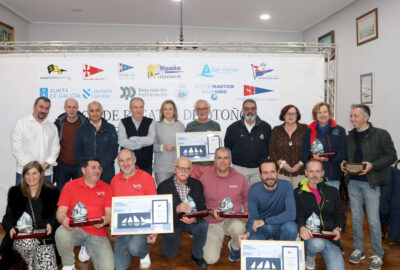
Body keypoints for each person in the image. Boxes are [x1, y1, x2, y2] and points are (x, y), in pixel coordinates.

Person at [341, 104, 397, 270]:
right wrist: (344, 164)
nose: (352, 119)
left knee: (373, 221)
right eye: (351, 116)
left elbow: (392, 156)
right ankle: (359, 249)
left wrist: (373, 165)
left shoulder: (380, 134)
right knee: (356, 219)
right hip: (353, 183)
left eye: (356, 116)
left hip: (371, 183)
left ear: (366, 117)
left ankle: (378, 253)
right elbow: (347, 156)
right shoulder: (349, 136)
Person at [55, 158, 114, 270]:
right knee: (61, 233)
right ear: (83, 170)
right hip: (75, 229)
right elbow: (60, 212)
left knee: (108, 267)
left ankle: (86, 248)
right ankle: (69, 265)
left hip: (98, 233)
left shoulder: (107, 188)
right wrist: (63, 220)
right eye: (93, 167)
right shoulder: (70, 186)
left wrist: (105, 221)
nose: (97, 170)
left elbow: (109, 215)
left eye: (99, 168)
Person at [1, 161, 59, 269]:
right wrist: (10, 228)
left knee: (48, 266)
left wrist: (51, 224)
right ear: (23, 176)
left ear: (41, 175)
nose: (30, 177)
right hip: (22, 236)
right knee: (32, 255)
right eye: (27, 173)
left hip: (43, 237)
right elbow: (8, 217)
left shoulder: (51, 192)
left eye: (34, 173)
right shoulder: (15, 192)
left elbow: (55, 215)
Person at [157, 157, 208, 269]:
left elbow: (203, 208)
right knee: (169, 255)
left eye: (187, 168)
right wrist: (176, 209)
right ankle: (167, 240)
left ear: (191, 172)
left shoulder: (197, 184)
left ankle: (197, 255)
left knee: (203, 225)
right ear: (174, 169)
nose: (183, 171)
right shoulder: (163, 187)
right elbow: (159, 213)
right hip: (173, 223)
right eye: (180, 168)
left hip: (191, 221)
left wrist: (194, 217)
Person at [200, 147, 249, 264]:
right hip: (211, 221)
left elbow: (248, 200)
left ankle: (234, 246)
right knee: (210, 259)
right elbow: (199, 205)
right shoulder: (204, 178)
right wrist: (211, 212)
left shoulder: (240, 178)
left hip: (232, 220)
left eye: (226, 158)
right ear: (215, 161)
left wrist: (247, 213)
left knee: (239, 228)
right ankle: (214, 242)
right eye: (219, 158)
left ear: (230, 160)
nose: (222, 161)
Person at [111, 149, 157, 269]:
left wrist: (155, 231)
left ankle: (143, 252)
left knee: (135, 248)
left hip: (141, 226)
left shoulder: (147, 178)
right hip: (122, 229)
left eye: (128, 159)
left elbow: (155, 206)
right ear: (118, 163)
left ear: (134, 160)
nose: (125, 164)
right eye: (121, 161)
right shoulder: (114, 181)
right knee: (119, 267)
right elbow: (113, 207)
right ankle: (131, 246)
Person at [295, 160, 345, 270]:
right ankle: (310, 256)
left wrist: (338, 228)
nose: (314, 175)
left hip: (331, 238)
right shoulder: (298, 192)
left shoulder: (333, 191)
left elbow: (340, 214)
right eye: (311, 171)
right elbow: (299, 214)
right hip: (312, 236)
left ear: (322, 173)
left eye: (317, 171)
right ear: (306, 173)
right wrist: (302, 227)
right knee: (317, 244)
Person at [239, 159, 297, 242]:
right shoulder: (253, 190)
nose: (269, 176)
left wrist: (265, 221)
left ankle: (283, 253)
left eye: (272, 172)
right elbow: (253, 217)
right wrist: (247, 233)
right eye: (265, 173)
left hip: (281, 225)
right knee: (251, 241)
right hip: (262, 228)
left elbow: (291, 214)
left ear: (278, 173)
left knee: (292, 228)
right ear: (260, 175)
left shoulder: (287, 186)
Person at [11, 97, 60, 184]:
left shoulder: (52, 127)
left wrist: (46, 165)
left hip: (46, 174)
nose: (43, 111)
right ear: (34, 107)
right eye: (41, 107)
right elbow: (17, 149)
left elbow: (55, 149)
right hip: (25, 173)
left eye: (46, 108)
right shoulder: (21, 124)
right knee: (22, 198)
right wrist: (33, 168)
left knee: (46, 198)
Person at [225, 99, 271, 186]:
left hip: (259, 169)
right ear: (242, 110)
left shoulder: (266, 127)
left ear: (256, 110)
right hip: (239, 169)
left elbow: (270, 148)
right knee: (239, 196)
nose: (250, 111)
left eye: (253, 109)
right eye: (246, 109)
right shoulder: (233, 128)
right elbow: (227, 148)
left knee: (258, 196)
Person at [301, 102, 346, 190]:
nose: (322, 115)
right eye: (319, 112)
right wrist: (312, 159)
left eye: (325, 112)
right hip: (313, 176)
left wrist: (329, 159)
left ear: (329, 113)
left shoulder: (339, 130)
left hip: (332, 175)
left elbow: (343, 152)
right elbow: (304, 153)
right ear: (315, 115)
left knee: (331, 203)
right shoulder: (309, 131)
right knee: (314, 203)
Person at [73, 101, 118, 184]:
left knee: (105, 195)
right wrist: (89, 166)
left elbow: (113, 150)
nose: (95, 113)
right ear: (88, 113)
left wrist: (100, 166)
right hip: (86, 171)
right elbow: (77, 151)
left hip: (106, 171)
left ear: (102, 112)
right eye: (92, 110)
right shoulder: (81, 129)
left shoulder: (110, 128)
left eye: (97, 110)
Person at [269, 104, 307, 189]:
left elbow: (309, 149)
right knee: (282, 199)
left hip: (301, 172)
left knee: (299, 199)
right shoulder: (276, 130)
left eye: (293, 113)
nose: (291, 116)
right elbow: (272, 152)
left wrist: (300, 164)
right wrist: (283, 164)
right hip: (282, 172)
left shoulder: (304, 129)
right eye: (288, 113)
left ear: (297, 115)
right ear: (283, 115)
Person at [54, 98, 87, 192]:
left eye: (74, 107)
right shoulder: (58, 124)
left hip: (80, 166)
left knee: (80, 194)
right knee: (62, 194)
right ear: (65, 108)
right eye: (69, 107)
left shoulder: (85, 123)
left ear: (78, 108)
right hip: (62, 166)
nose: (71, 110)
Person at [118, 97, 155, 175]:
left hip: (146, 166)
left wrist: (131, 138)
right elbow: (122, 142)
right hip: (127, 166)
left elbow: (151, 140)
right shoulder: (123, 122)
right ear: (130, 108)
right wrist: (141, 144)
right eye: (136, 107)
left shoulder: (150, 122)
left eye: (141, 107)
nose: (139, 110)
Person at [185, 99, 221, 179]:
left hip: (211, 165)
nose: (202, 111)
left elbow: (219, 147)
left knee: (210, 190)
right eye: (199, 109)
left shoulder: (216, 125)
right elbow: (185, 145)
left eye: (204, 108)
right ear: (196, 111)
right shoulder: (190, 126)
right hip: (194, 166)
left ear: (208, 110)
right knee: (195, 190)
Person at [153, 100, 185, 185]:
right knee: (163, 194)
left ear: (174, 111)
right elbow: (151, 146)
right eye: (165, 109)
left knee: (177, 196)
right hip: (161, 168)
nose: (168, 111)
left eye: (170, 109)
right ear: (162, 111)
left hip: (178, 167)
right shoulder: (156, 126)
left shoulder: (180, 125)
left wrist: (179, 148)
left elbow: (184, 145)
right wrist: (163, 147)